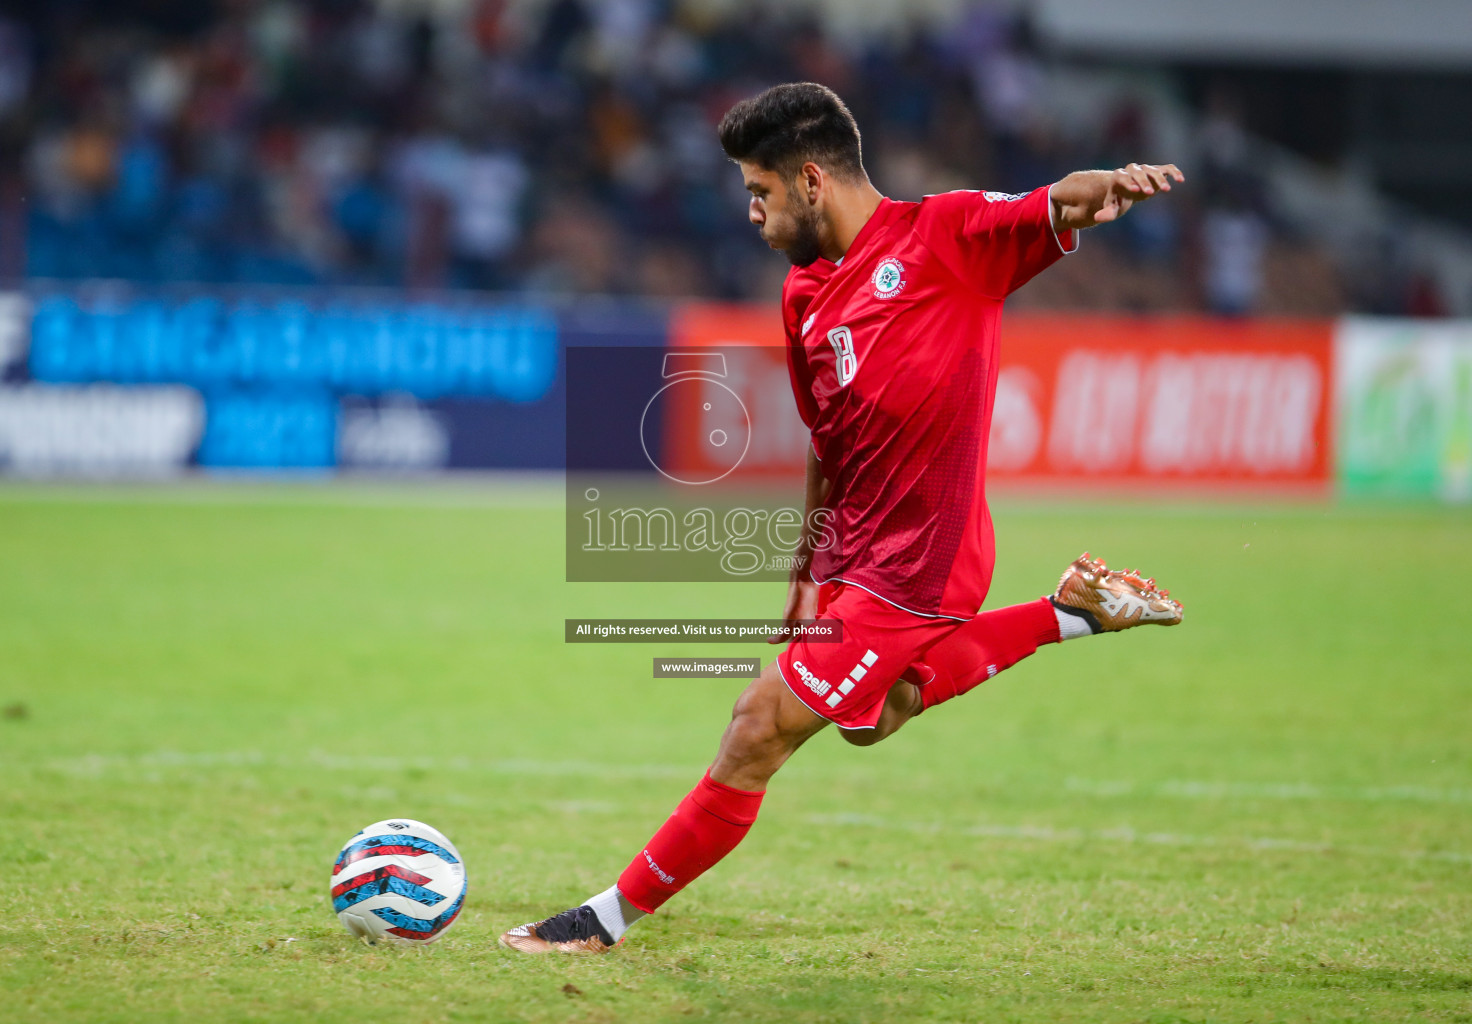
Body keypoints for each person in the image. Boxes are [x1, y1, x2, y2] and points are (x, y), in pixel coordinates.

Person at [500, 82, 1186, 954]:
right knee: (878, 714)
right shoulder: (804, 295)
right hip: (855, 555)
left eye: (760, 191)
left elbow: (1059, 201)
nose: (752, 212)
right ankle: (1073, 614)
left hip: (922, 562)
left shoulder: (947, 236)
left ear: (812, 181)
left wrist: (1108, 186)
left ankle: (599, 923)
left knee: (757, 729)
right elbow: (827, 432)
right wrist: (807, 564)